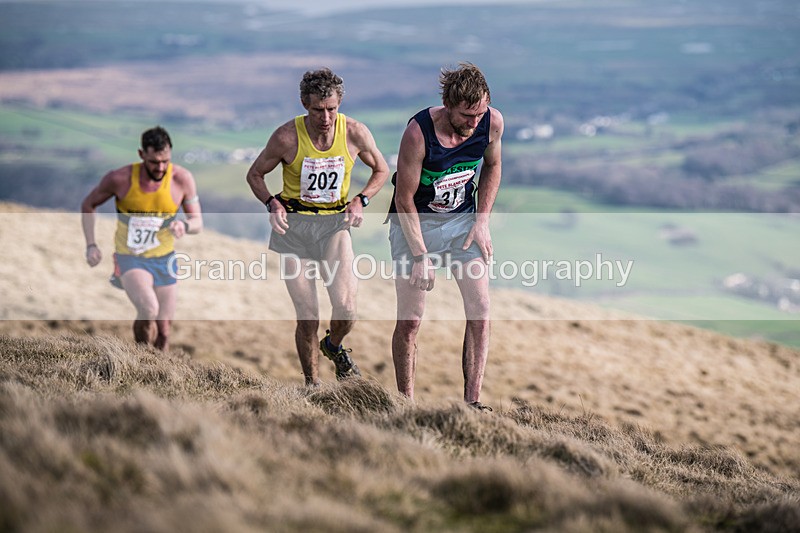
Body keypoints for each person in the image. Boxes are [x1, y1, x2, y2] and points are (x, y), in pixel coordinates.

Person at [246, 67, 389, 386]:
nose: (325, 118)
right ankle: (312, 386)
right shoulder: (285, 137)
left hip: (334, 225)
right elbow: (255, 174)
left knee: (347, 308)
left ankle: (334, 346)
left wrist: (360, 200)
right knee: (307, 315)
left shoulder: (354, 133)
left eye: (332, 109)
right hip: (293, 229)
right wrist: (272, 203)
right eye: (317, 110)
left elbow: (381, 170)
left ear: (339, 104)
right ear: (303, 104)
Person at [387, 62, 504, 410]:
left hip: (461, 225)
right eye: (467, 116)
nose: (473, 123)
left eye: (479, 114)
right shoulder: (418, 133)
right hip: (414, 225)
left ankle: (472, 403)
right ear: (448, 105)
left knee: (480, 309)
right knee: (411, 319)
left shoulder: (491, 122)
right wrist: (421, 256)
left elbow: (493, 166)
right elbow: (403, 198)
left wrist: (481, 221)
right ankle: (405, 404)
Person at [81, 126, 202, 351]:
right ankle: (140, 359)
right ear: (141, 155)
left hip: (165, 258)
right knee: (148, 310)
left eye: (165, 160)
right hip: (130, 257)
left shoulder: (182, 179)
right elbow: (89, 204)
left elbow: (198, 223)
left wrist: (184, 225)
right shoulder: (120, 178)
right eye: (155, 162)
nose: (161, 167)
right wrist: (91, 244)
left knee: (164, 330)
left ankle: (160, 374)